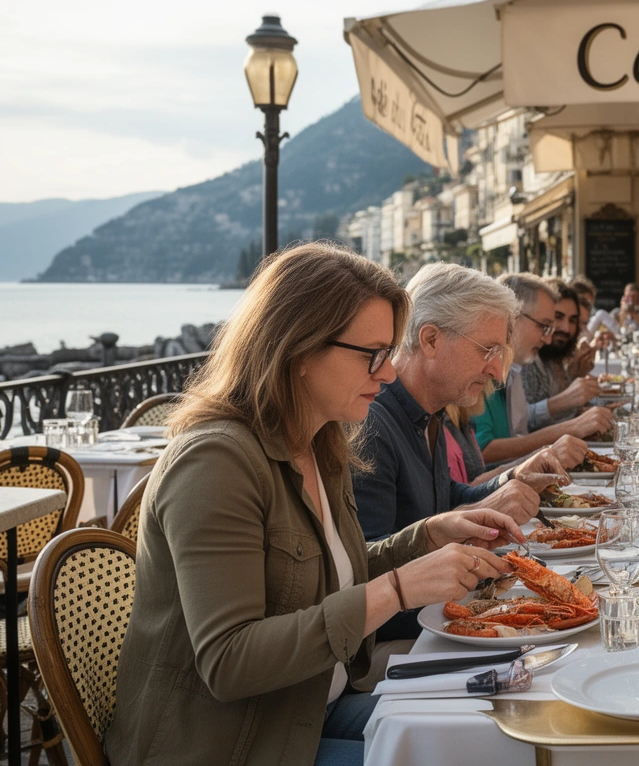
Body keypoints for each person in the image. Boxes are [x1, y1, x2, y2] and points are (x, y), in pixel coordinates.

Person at [105, 244, 526, 765]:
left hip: (305, 707)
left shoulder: (320, 444)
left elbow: (331, 574)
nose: (389, 373)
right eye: (373, 354)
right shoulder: (216, 462)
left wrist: (428, 536)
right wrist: (396, 590)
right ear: (299, 349)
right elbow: (229, 660)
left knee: (506, 732)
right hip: (230, 742)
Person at [354, 264, 570, 544]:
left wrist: (514, 478)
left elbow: (445, 499)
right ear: (430, 340)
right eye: (486, 350)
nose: (495, 370)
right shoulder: (372, 423)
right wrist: (477, 510)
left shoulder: (428, 410)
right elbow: (367, 561)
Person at [473, 274, 615, 466]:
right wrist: (571, 427)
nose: (548, 339)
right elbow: (483, 452)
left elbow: (520, 436)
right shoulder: (482, 372)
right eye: (544, 326)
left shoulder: (515, 369)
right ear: (513, 317)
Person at [522, 281, 599, 427]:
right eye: (558, 317)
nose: (566, 328)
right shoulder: (528, 357)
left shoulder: (554, 356)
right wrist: (567, 398)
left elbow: (564, 415)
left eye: (573, 321)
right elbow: (521, 424)